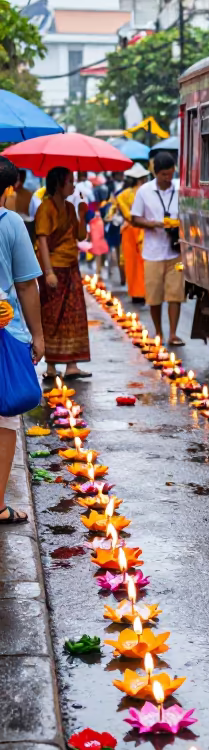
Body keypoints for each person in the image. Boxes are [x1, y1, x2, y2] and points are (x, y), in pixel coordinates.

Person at [0, 158, 44, 524]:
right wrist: (38, 335)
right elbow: (27, 283)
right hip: (5, 330)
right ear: (9, 189)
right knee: (5, 419)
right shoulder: (11, 223)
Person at [34, 166, 91, 381]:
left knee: (74, 316)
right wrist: (48, 272)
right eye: (70, 182)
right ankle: (50, 365)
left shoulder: (69, 208)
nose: (73, 186)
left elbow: (80, 236)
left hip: (71, 266)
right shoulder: (45, 209)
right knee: (52, 316)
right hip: (53, 268)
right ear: (59, 184)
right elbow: (42, 241)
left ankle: (72, 365)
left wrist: (83, 215)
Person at [131, 151, 184, 344]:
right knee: (154, 295)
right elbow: (135, 218)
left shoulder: (179, 188)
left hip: (175, 251)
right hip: (152, 252)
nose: (168, 178)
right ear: (156, 173)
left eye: (170, 174)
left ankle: (173, 333)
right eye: (164, 175)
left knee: (175, 293)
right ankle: (159, 332)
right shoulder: (144, 191)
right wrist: (153, 224)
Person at [115, 164, 149, 303]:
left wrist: (130, 217)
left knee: (131, 262)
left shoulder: (125, 194)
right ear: (141, 179)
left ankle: (135, 293)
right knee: (143, 262)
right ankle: (143, 292)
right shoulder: (146, 192)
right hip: (144, 229)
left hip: (129, 230)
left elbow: (122, 207)